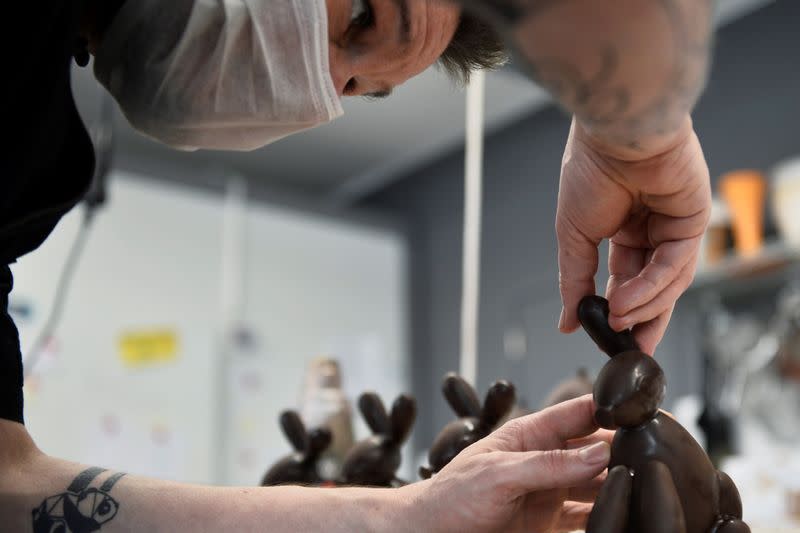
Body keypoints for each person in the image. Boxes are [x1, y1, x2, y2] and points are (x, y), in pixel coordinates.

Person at [0, 0, 713, 530]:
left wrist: (402, 516)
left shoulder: (24, 162)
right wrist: (635, 142)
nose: (316, 83)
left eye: (353, 89)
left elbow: (9, 484)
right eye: (364, 17)